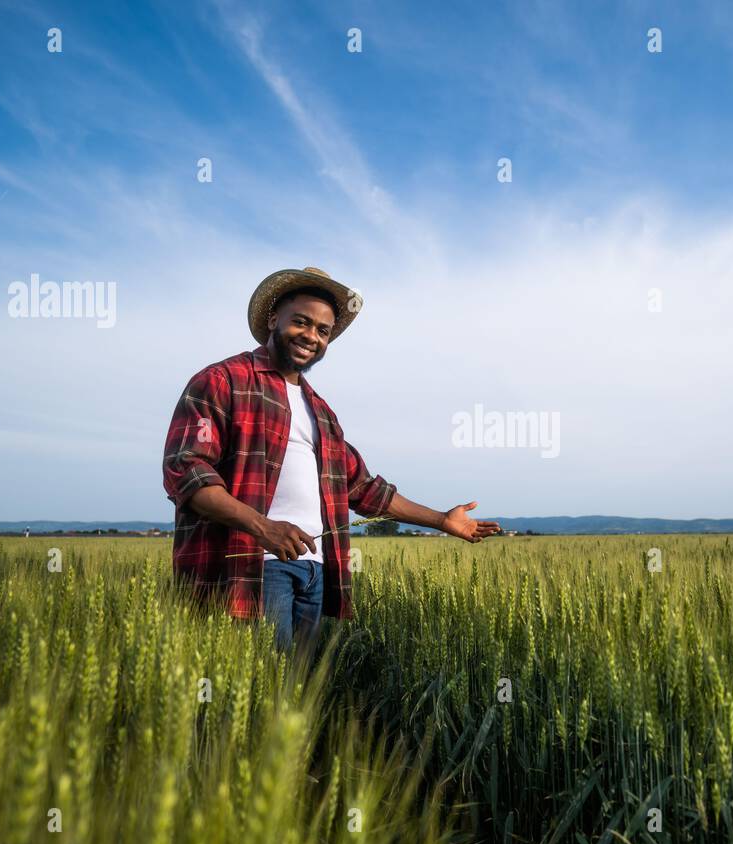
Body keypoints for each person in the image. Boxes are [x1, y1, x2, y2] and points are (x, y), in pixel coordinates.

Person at [162, 266, 499, 656]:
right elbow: (186, 470)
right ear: (274, 319)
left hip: (315, 571)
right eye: (301, 322)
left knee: (297, 696)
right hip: (252, 566)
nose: (312, 337)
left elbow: (364, 489)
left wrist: (442, 520)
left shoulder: (320, 410)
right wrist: (263, 528)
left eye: (323, 331)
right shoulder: (223, 380)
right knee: (260, 695)